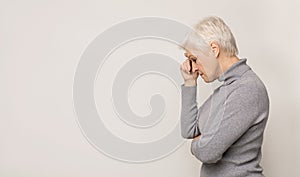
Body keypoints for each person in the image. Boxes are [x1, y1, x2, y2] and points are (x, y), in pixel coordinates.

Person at [179, 16, 269, 177]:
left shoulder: (247, 89)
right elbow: (189, 130)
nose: (193, 67)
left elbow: (208, 152)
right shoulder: (226, 90)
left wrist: (197, 143)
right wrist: (189, 82)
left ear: (214, 49)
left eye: (194, 59)